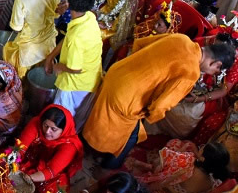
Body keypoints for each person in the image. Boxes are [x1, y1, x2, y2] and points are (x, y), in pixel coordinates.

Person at [83, 34, 235, 168]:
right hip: (126, 94)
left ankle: (85, 140)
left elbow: (140, 43)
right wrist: (150, 116)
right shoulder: (191, 72)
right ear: (217, 64)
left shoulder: (181, 39)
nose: (214, 73)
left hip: (117, 72)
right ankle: (108, 167)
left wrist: (138, 70)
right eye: (217, 71)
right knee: (132, 135)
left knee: (101, 114)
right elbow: (161, 105)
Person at [46, 0, 103, 122]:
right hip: (91, 77)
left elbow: (75, 69)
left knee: (62, 119)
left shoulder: (76, 37)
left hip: (76, 84)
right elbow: (67, 38)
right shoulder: (89, 17)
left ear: (69, 2)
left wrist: (59, 67)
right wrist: (50, 57)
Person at [2, 0, 60, 78]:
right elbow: (55, 12)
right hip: (48, 46)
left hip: (28, 51)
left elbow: (16, 27)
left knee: (16, 71)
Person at [12, 104, 83, 193]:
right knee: (6, 165)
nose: (47, 131)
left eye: (53, 129)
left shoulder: (70, 146)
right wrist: (14, 163)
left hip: (52, 172)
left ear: (63, 130)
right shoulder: (37, 123)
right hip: (32, 157)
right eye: (46, 125)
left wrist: (26, 179)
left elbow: (51, 171)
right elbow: (20, 147)